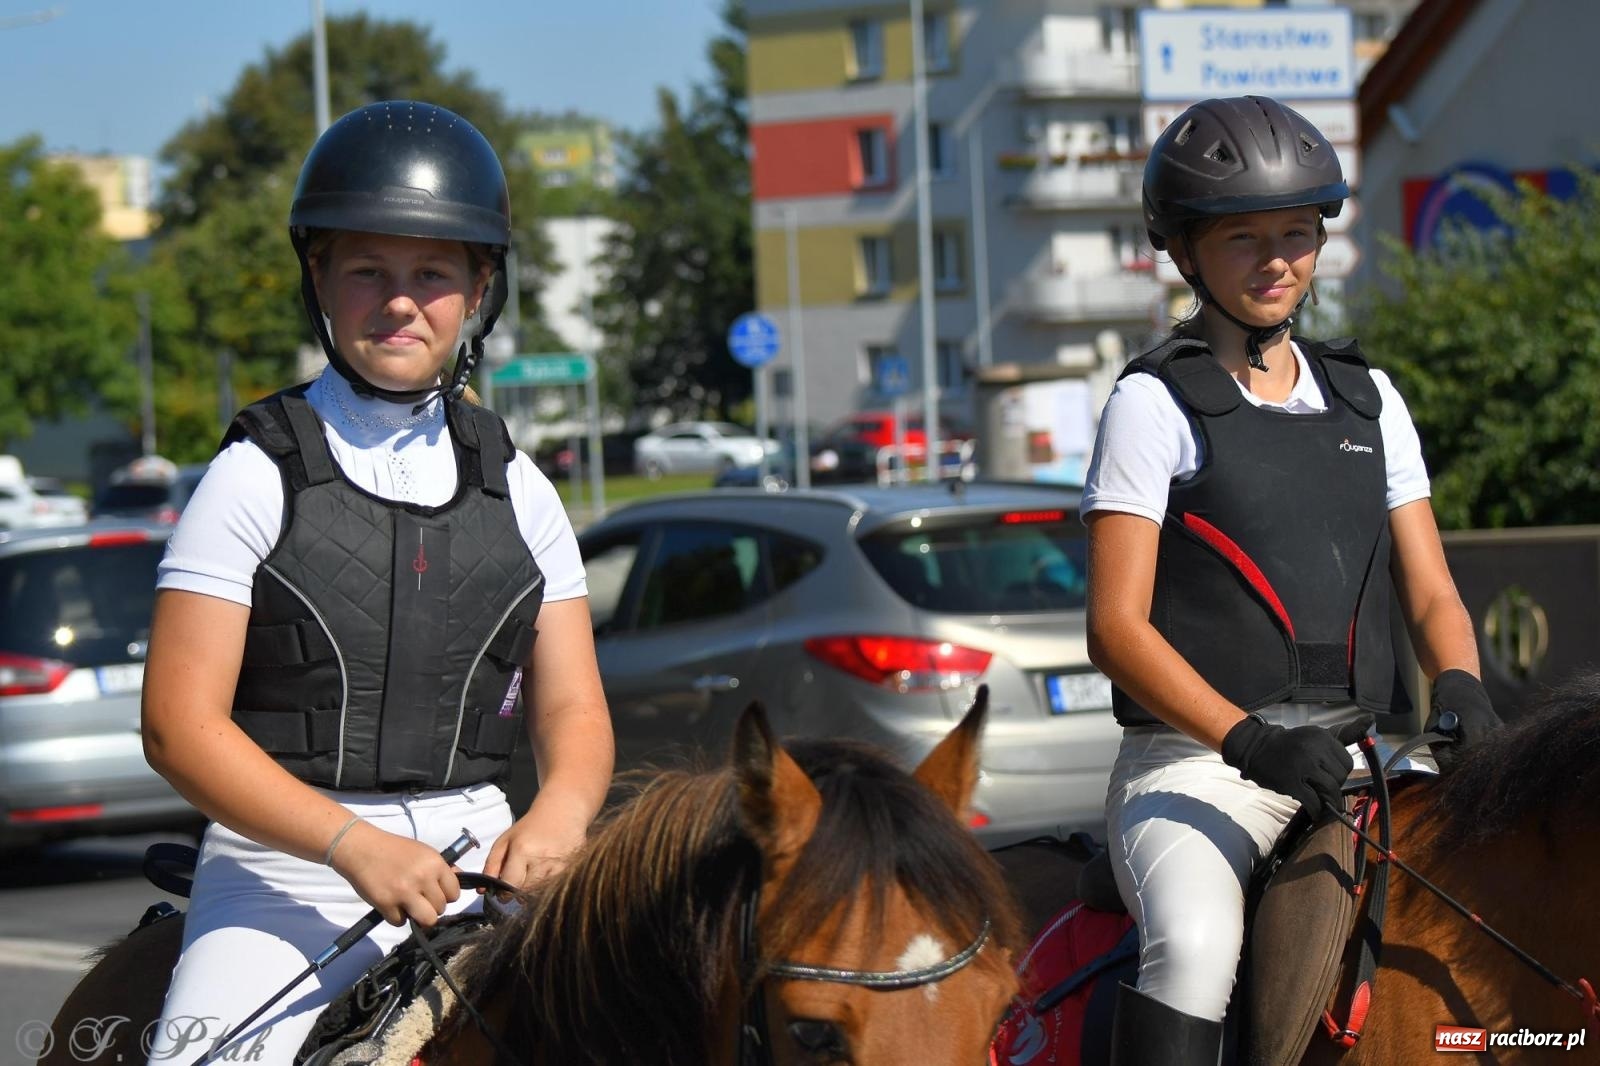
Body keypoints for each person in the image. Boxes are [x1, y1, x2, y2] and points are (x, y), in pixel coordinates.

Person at [141, 101, 614, 1065]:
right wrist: (350, 845)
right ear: (320, 277)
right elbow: (176, 727)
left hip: (489, 866)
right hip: (287, 873)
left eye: (433, 273)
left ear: (480, 286)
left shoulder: (522, 486)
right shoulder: (252, 474)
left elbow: (574, 713)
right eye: (369, 271)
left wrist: (558, 820)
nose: (401, 302)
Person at [1081, 96, 1501, 1065]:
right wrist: (1247, 737)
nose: (1276, 260)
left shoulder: (1371, 398)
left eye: (1297, 234)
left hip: (1363, 764)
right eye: (1243, 239)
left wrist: (1463, 684)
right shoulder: (1151, 403)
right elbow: (1115, 626)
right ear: (1185, 252)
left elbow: (1430, 589)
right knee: (1193, 948)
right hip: (1197, 766)